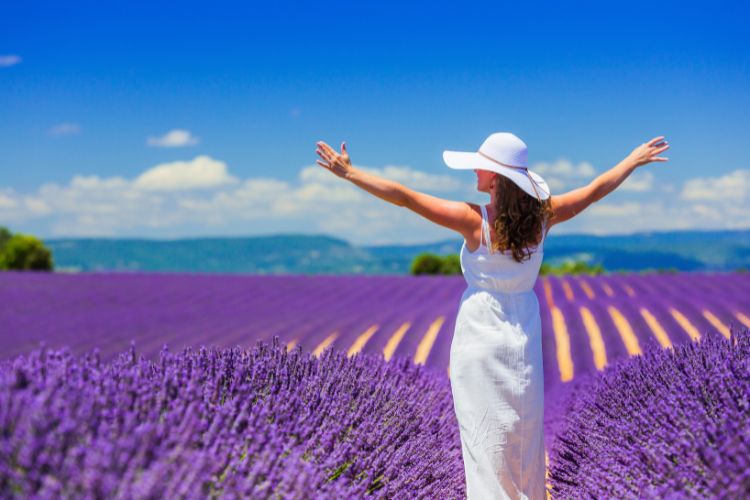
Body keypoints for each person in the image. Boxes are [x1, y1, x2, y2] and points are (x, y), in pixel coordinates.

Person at [315, 132, 669, 499]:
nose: (474, 170)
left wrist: (351, 175)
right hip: (523, 335)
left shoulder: (473, 219)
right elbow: (595, 190)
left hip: (480, 334)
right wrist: (632, 161)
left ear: (496, 178)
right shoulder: (543, 217)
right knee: (523, 432)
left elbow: (405, 198)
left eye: (480, 165)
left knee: (484, 439)